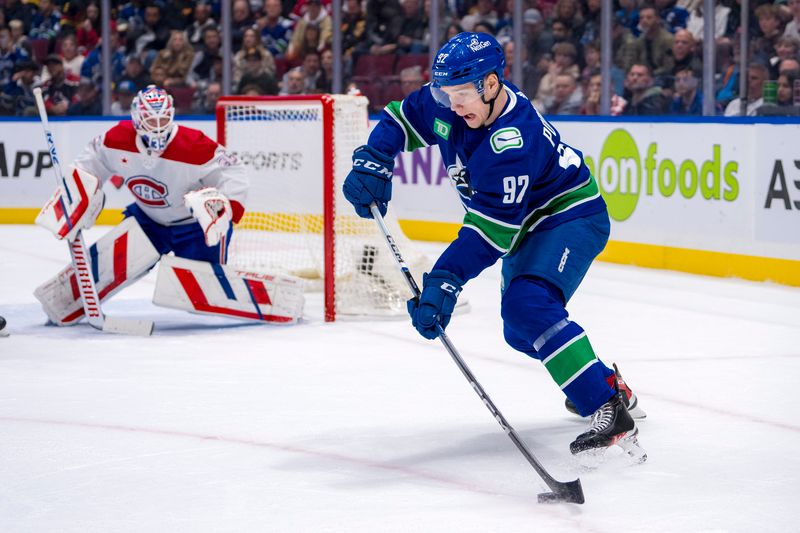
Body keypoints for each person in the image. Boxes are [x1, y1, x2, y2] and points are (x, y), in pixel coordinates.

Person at [342, 32, 647, 458]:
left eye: (462, 94)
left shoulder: (512, 141)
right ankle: (604, 384)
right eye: (445, 93)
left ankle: (609, 410)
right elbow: (401, 118)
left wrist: (445, 280)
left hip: (570, 216)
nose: (452, 104)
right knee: (520, 331)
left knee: (529, 307)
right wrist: (376, 157)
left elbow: (490, 233)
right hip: (528, 225)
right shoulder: (453, 100)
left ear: (490, 84)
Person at [33, 85, 274, 327]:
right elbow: (88, 164)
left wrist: (226, 209)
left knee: (202, 295)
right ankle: (62, 302)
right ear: (137, 117)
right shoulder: (116, 138)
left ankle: (267, 297)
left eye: (163, 118)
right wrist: (76, 196)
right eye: (150, 119)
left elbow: (234, 171)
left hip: (193, 229)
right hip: (148, 221)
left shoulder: (194, 144)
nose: (158, 126)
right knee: (109, 263)